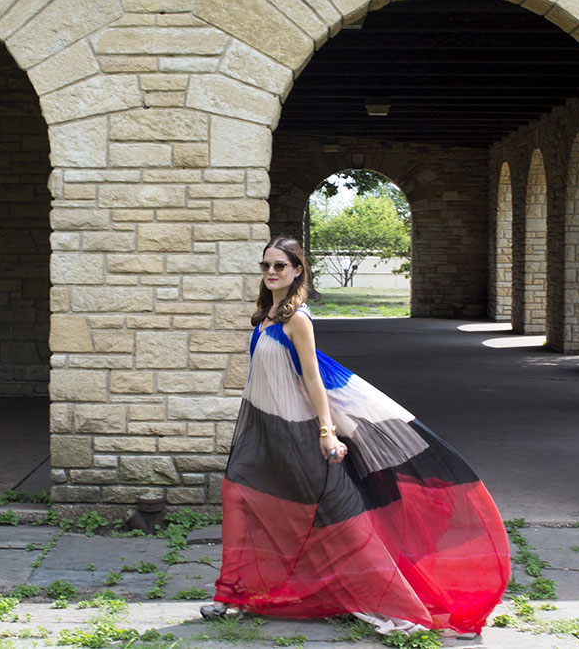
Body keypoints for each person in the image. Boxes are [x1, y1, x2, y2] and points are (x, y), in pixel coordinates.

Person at [201, 235, 510, 636]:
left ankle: (393, 600)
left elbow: (313, 378)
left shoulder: (297, 319)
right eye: (266, 266)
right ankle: (234, 594)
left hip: (300, 433)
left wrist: (327, 433)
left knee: (335, 519)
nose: (272, 272)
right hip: (264, 431)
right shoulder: (265, 317)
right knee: (243, 498)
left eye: (280, 265)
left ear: (297, 271)